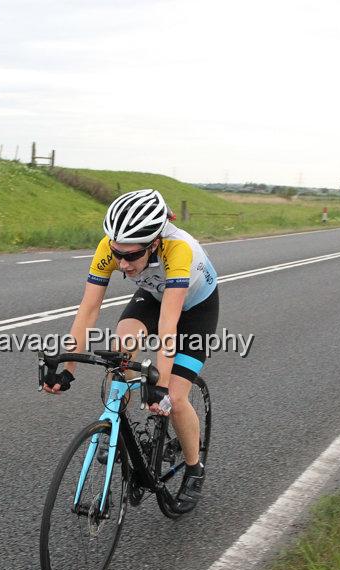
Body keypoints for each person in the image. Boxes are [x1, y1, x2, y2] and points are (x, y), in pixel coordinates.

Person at [42, 188, 219, 510]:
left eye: (131, 256)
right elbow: (88, 309)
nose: (122, 264)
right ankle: (118, 429)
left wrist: (161, 385)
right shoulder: (112, 248)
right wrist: (67, 368)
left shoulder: (178, 250)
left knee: (176, 399)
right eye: (117, 253)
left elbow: (169, 326)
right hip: (153, 298)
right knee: (121, 348)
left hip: (194, 309)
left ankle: (194, 469)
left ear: (154, 243)